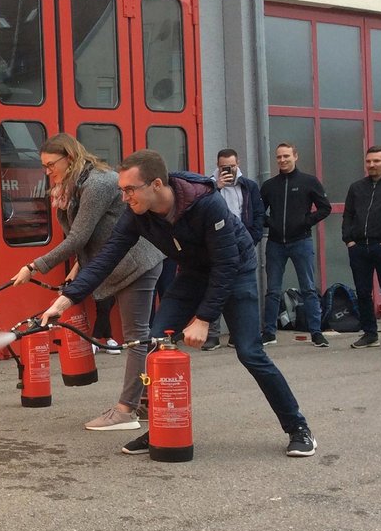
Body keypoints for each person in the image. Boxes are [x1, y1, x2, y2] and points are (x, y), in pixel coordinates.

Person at [38, 149, 317, 458]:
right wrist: (67, 299)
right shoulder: (136, 214)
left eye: (130, 189)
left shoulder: (207, 205)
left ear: (156, 184)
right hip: (193, 273)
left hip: (235, 271)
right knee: (157, 346)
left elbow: (225, 266)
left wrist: (204, 318)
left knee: (250, 352)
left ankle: (298, 428)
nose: (124, 197)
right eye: (122, 190)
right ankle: (159, 428)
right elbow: (107, 257)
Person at [11, 133, 163, 431]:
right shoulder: (71, 188)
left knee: (136, 337)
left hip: (137, 263)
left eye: (50, 164)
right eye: (43, 166)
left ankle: (126, 411)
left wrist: (34, 266)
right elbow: (97, 231)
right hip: (115, 263)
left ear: (69, 157)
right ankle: (146, 402)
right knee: (140, 337)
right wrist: (81, 264)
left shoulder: (97, 184)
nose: (47, 171)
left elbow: (78, 235)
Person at [259, 143, 331, 347]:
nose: (282, 160)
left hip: (301, 241)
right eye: (279, 157)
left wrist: (305, 221)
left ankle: (316, 332)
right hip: (275, 243)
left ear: (295, 156)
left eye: (286, 156)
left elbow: (325, 208)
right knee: (272, 290)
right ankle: (269, 332)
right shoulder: (269, 185)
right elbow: (258, 211)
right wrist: (270, 223)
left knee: (308, 288)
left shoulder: (309, 182)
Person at [202, 148, 267, 350]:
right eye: (223, 167)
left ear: (238, 163)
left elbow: (258, 214)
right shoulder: (208, 185)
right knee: (214, 286)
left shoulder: (249, 186)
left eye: (231, 166)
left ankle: (237, 334)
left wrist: (251, 239)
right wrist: (217, 187)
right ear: (218, 165)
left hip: (242, 244)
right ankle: (212, 335)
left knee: (243, 290)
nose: (228, 170)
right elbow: (202, 208)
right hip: (217, 244)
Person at [342, 145, 381, 350]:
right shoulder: (356, 187)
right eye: (368, 161)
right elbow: (348, 215)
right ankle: (369, 334)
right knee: (363, 292)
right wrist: (348, 240)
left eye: (376, 161)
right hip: (358, 248)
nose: (372, 165)